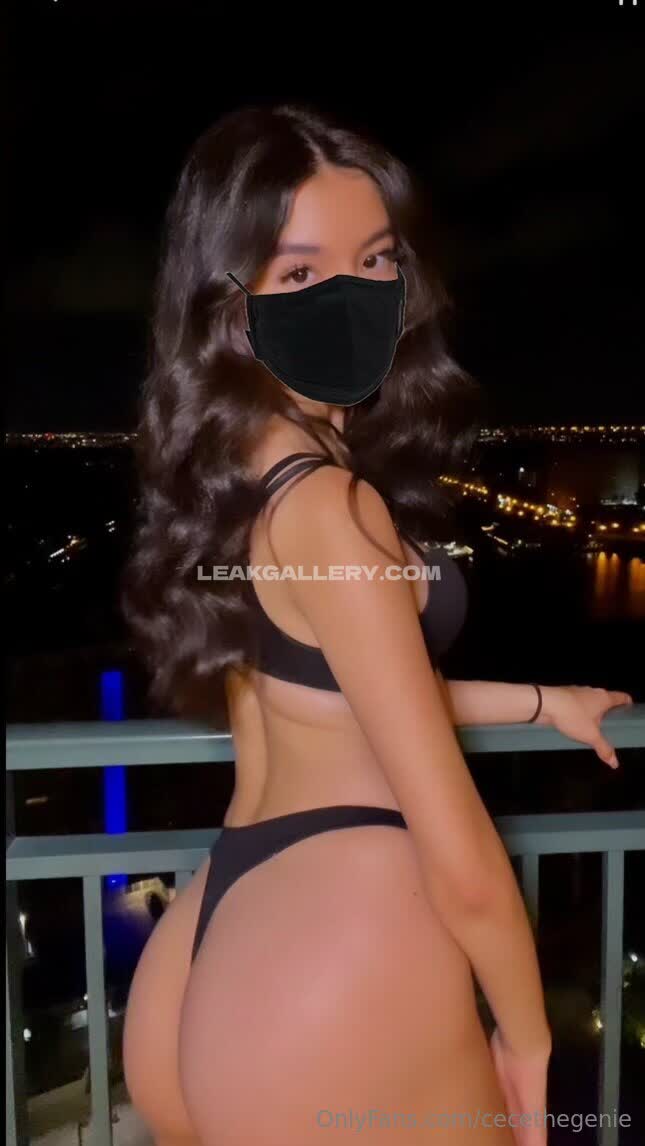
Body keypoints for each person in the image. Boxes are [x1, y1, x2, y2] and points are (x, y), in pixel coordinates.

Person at [121, 103, 632, 1146]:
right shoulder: (331, 506)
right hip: (343, 947)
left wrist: (544, 702)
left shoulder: (242, 473)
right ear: (230, 299)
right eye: (301, 272)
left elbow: (346, 693)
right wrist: (527, 1041)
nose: (349, 296)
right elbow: (459, 852)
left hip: (219, 935)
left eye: (374, 260)